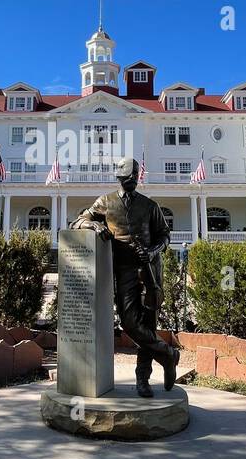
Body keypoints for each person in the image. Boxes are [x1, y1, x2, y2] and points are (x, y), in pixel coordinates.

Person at [70, 156, 180, 398]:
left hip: (150, 271)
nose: (132, 181)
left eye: (134, 177)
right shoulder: (106, 202)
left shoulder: (150, 206)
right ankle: (168, 354)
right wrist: (95, 226)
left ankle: (143, 379)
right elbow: (78, 221)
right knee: (129, 322)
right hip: (124, 271)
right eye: (127, 178)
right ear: (120, 179)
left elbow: (165, 236)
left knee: (148, 323)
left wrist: (152, 251)